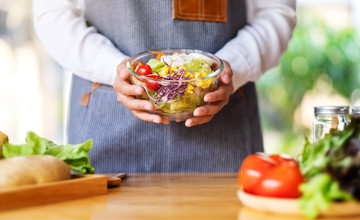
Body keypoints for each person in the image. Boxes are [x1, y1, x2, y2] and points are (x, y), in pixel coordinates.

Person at [33, 0, 297, 173]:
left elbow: (277, 13)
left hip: (225, 132)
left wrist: (233, 66)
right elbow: (52, 13)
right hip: (108, 122)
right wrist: (114, 67)